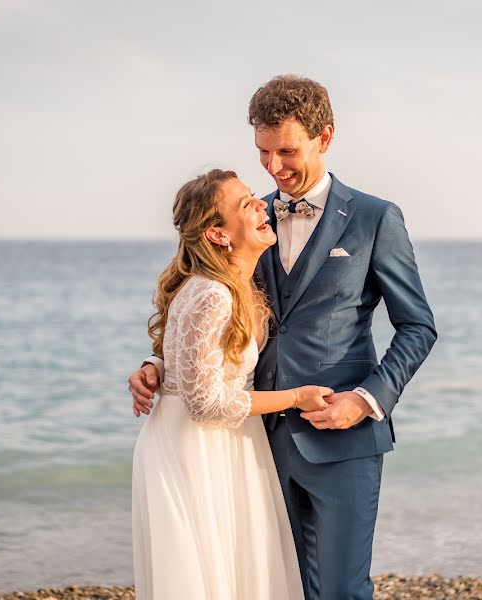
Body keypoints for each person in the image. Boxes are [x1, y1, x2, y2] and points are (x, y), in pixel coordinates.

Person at [129, 76, 437, 600]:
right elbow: (213, 312)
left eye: (287, 151)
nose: (274, 168)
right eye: (263, 153)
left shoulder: (373, 218)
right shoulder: (251, 218)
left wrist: (365, 402)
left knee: (341, 589)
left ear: (326, 137)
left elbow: (417, 326)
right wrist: (162, 365)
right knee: (275, 587)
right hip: (254, 443)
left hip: (343, 439)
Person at [131, 168, 333, 600]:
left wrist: (155, 364)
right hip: (200, 448)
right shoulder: (213, 294)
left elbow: (187, 358)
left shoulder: (227, 284)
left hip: (209, 441)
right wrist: (297, 397)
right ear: (218, 236)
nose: (262, 203)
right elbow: (206, 402)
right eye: (246, 204)